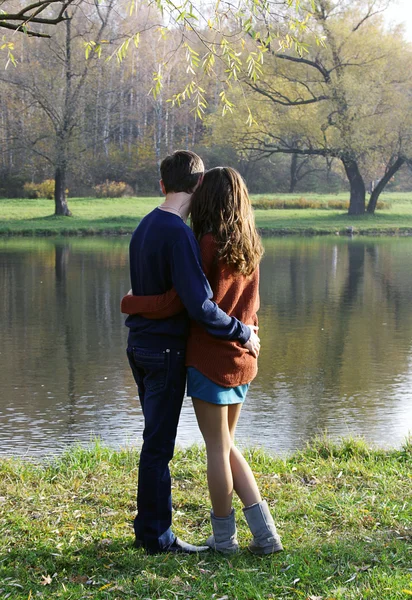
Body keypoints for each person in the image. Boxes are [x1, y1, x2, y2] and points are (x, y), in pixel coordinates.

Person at [122, 167, 283, 555]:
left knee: (217, 448)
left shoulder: (205, 243)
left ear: (206, 198)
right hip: (244, 358)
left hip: (211, 359)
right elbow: (251, 305)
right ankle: (266, 536)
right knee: (227, 446)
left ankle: (225, 539)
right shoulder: (249, 246)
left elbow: (189, 303)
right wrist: (248, 335)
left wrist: (132, 302)